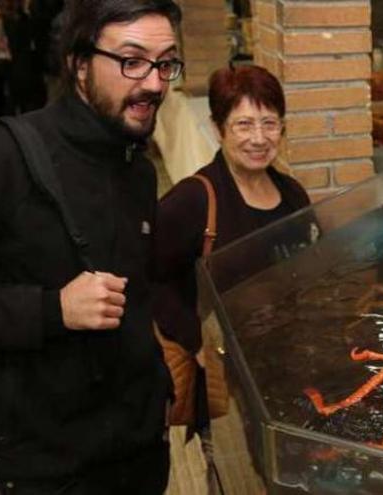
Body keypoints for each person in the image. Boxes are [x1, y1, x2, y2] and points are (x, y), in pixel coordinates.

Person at [0, 0, 182, 493]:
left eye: (165, 63)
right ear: (79, 65)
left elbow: (136, 298)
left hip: (140, 457)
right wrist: (52, 309)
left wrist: (158, 384)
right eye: (132, 61)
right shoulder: (8, 156)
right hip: (45, 469)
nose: (154, 83)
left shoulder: (137, 169)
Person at [152, 64, 314, 425]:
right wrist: (197, 343)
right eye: (243, 124)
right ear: (217, 128)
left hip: (288, 362)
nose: (259, 138)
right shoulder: (194, 200)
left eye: (269, 123)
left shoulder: (292, 195)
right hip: (226, 376)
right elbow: (149, 277)